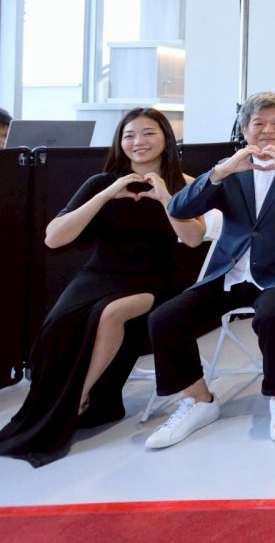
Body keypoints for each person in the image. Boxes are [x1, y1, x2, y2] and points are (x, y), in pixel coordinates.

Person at [0, 110, 202, 466]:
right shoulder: (100, 182)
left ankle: (76, 399)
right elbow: (53, 237)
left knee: (109, 313)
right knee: (59, 324)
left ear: (166, 139)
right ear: (119, 142)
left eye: (148, 133)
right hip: (101, 273)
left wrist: (165, 197)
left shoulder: (184, 182)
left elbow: (193, 237)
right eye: (129, 135)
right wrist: (109, 193)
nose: (138, 141)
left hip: (155, 279)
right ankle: (67, 402)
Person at [145, 93, 275, 449]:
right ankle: (199, 400)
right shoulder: (229, 168)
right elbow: (179, 207)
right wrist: (221, 172)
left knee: (271, 315)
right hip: (230, 272)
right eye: (258, 124)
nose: (268, 131)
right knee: (165, 319)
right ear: (245, 130)